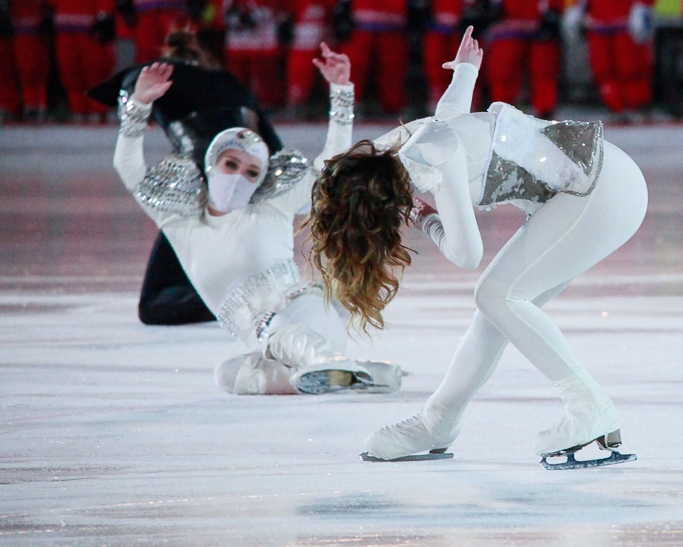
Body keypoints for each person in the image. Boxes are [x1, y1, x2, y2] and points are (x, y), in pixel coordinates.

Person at [309, 27, 648, 468]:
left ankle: (590, 409)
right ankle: (438, 421)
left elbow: (466, 254)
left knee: (495, 296)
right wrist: (464, 75)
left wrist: (426, 219)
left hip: (602, 192)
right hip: (600, 184)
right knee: (496, 311)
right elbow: (447, 121)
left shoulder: (432, 161)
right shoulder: (394, 149)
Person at [113, 42, 402, 396]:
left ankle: (327, 362)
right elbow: (128, 168)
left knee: (279, 333)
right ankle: (357, 374)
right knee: (228, 375)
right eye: (230, 164)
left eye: (251, 172)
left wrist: (341, 91)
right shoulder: (179, 222)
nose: (238, 177)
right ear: (210, 165)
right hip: (267, 344)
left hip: (308, 314)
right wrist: (138, 105)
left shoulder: (272, 207)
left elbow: (332, 165)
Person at [89, 30, 283, 326]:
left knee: (155, 305)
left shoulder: (156, 72)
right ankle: (245, 292)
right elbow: (274, 148)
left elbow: (127, 97)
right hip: (250, 182)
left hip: (199, 183)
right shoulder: (230, 81)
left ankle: (230, 300)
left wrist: (138, 104)